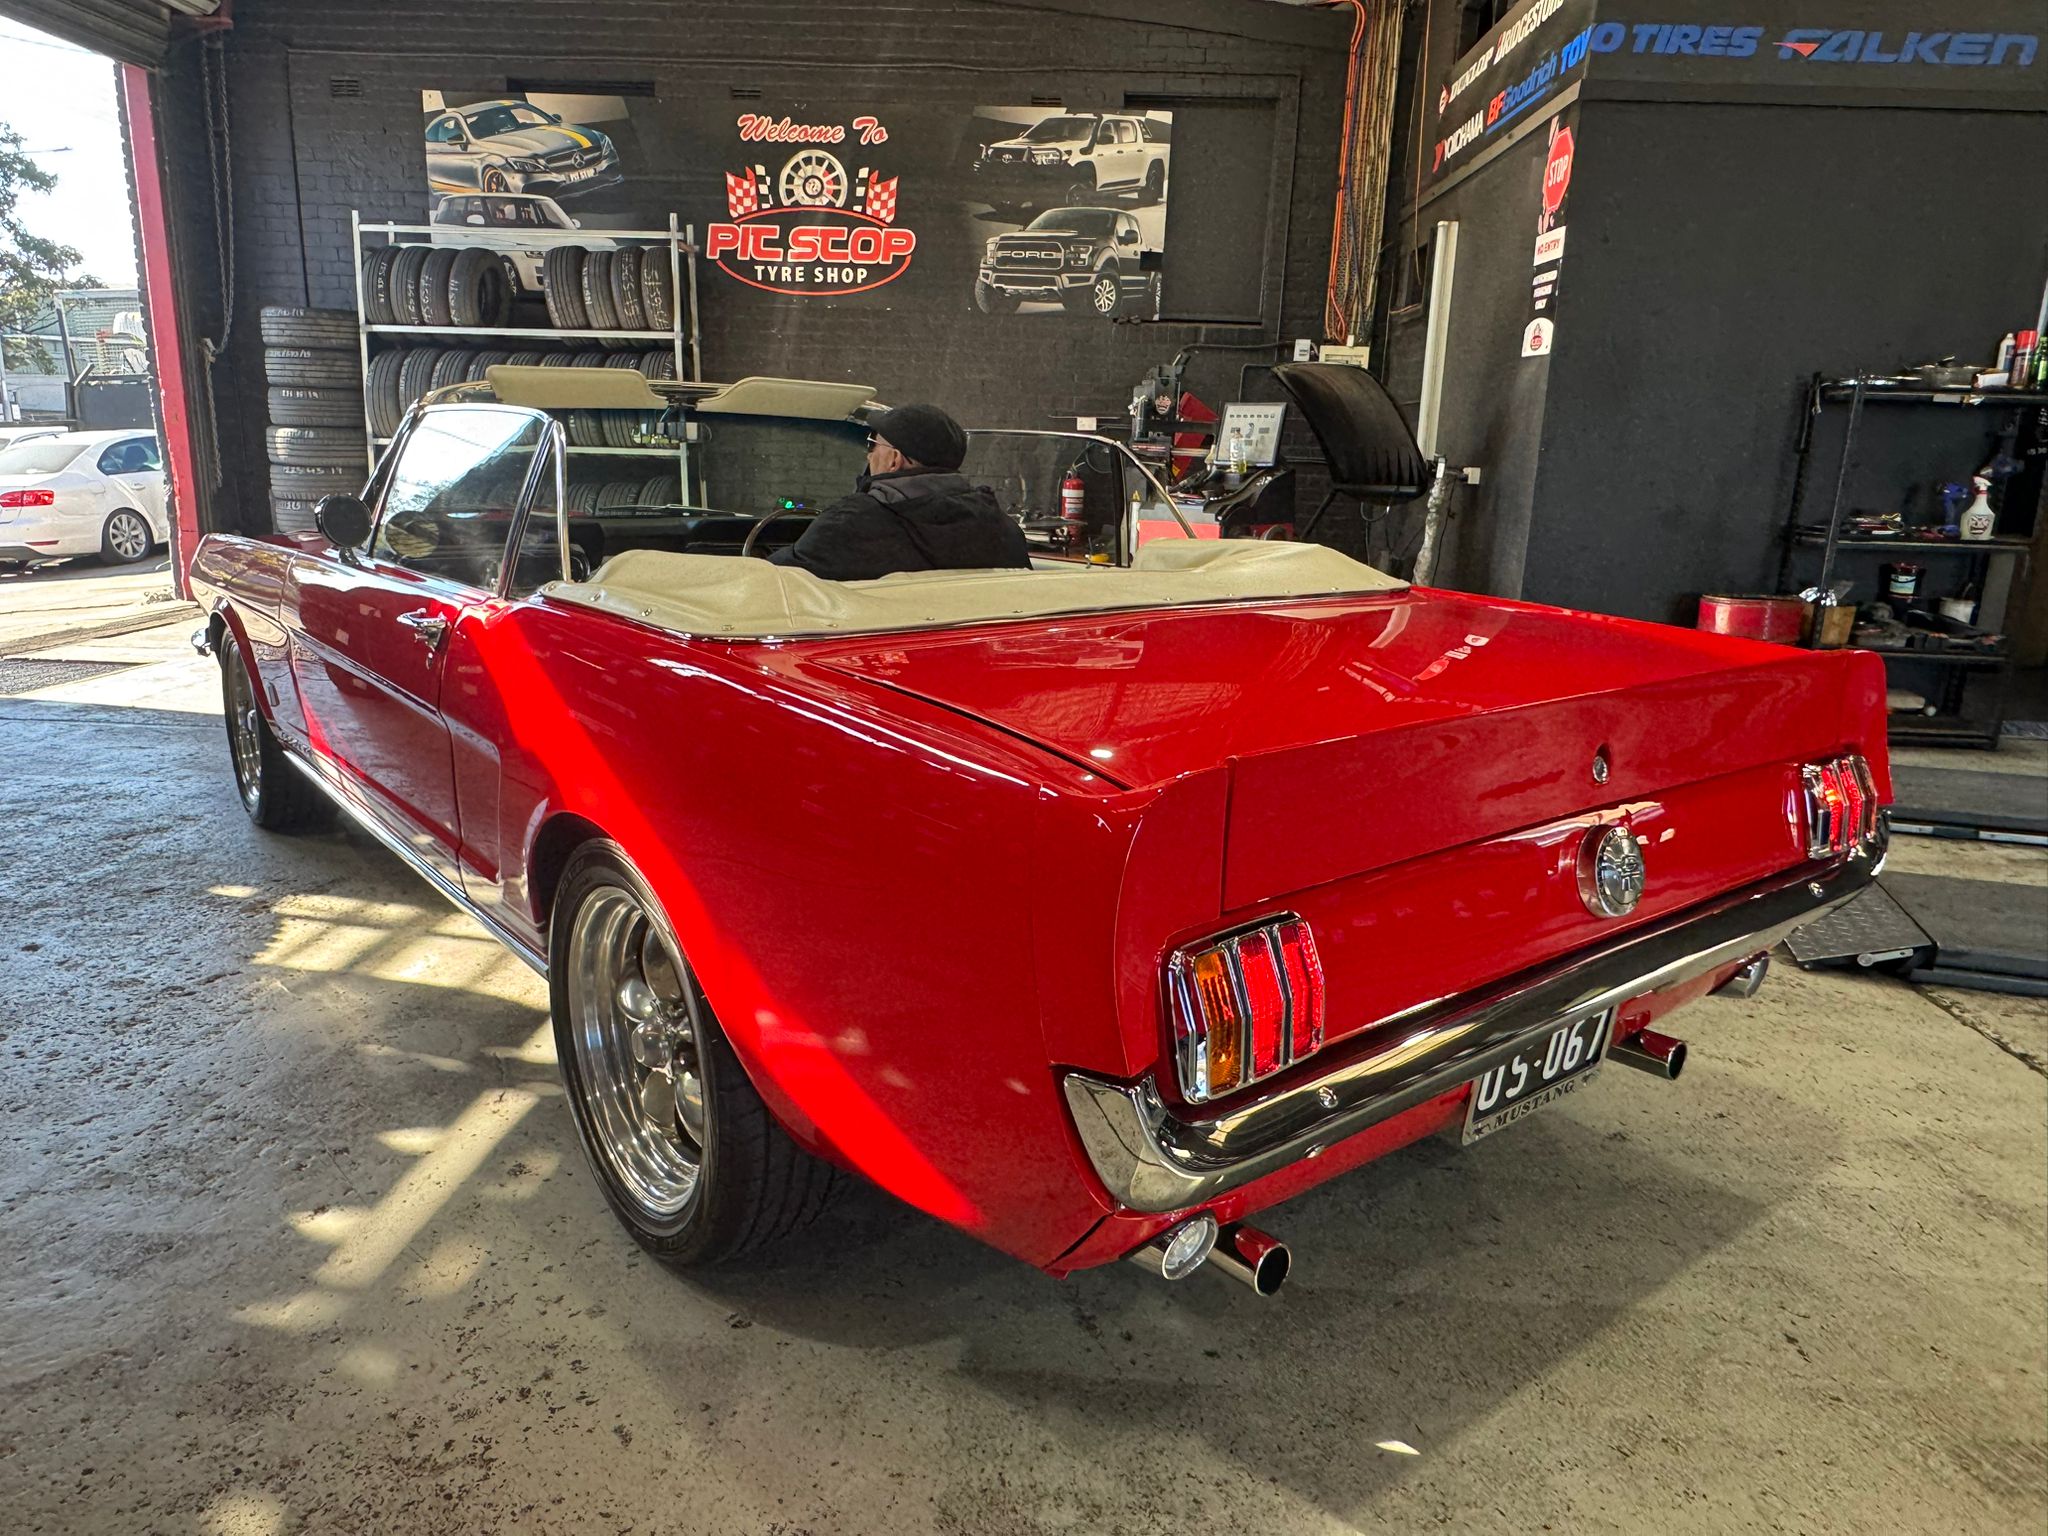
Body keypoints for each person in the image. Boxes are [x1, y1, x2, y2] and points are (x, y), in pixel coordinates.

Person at [769, 404, 1031, 582]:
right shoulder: (1000, 526)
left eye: (872, 444)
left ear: (894, 460)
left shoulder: (851, 523)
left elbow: (774, 580)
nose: (868, 454)